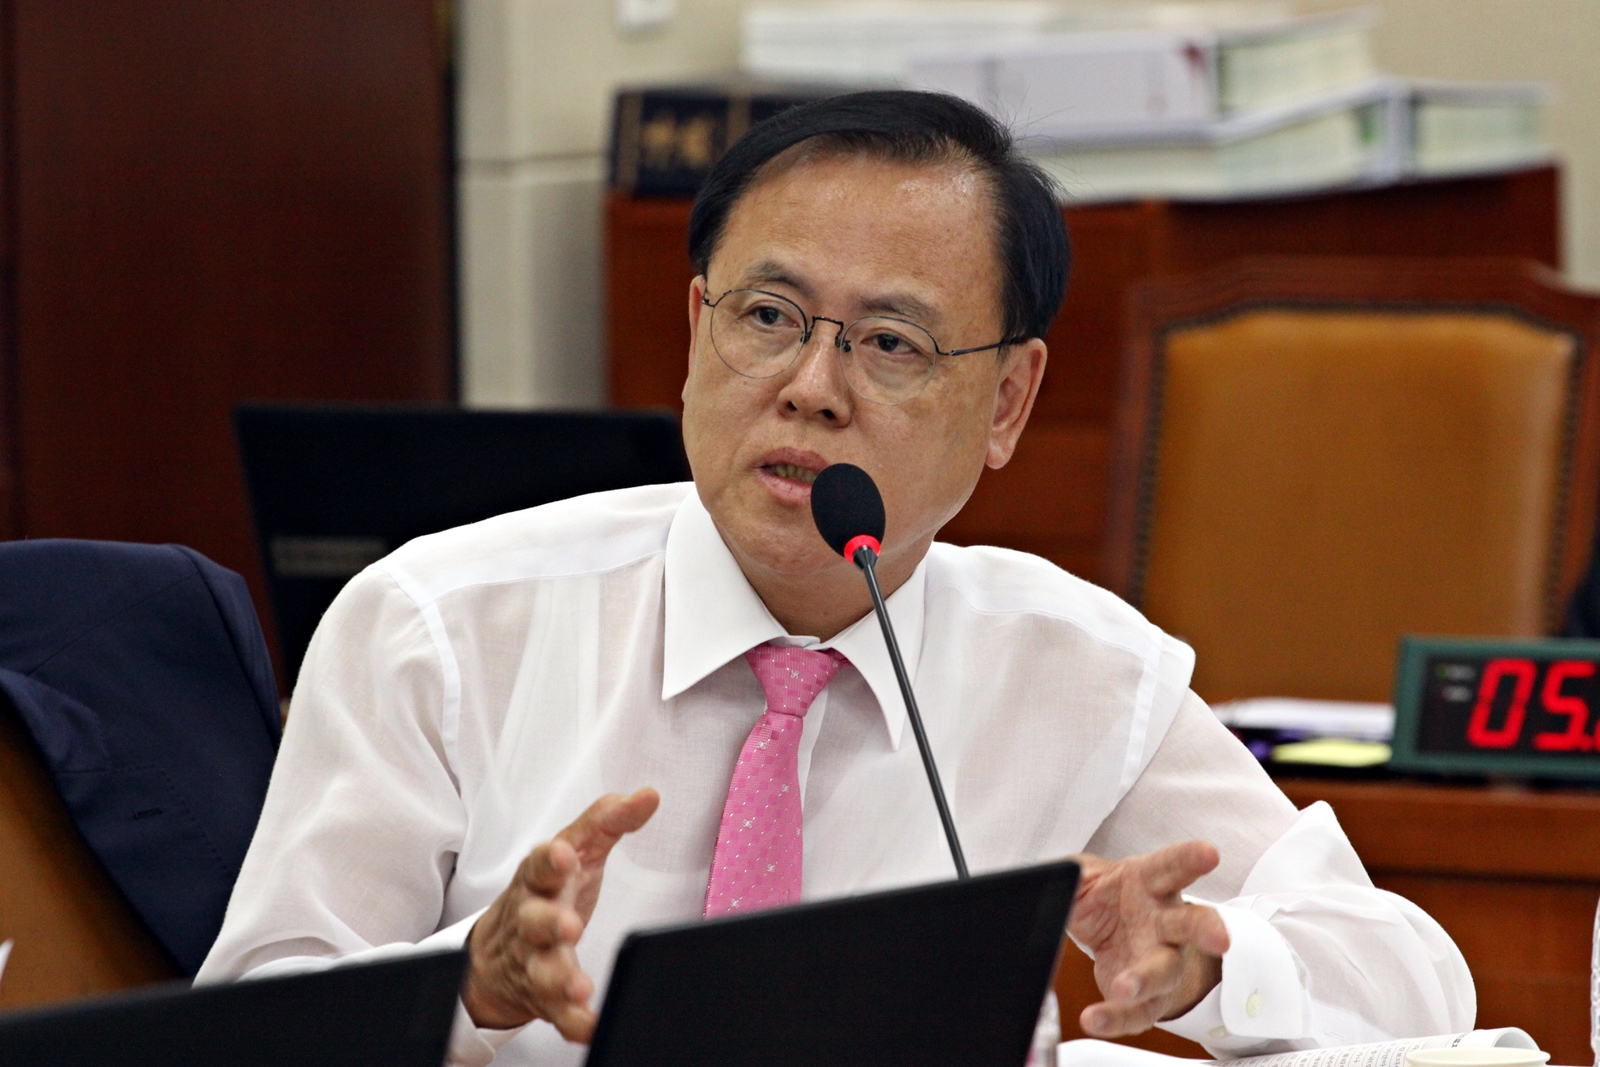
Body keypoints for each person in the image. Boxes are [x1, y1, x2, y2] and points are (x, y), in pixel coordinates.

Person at [198, 91, 1473, 1066]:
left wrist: (1212, 961)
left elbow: (1417, 981)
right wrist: (468, 985)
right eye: (765, 317)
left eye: (890, 342)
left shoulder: (1077, 670)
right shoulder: (436, 626)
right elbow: (246, 1023)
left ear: (1008, 401)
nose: (811, 385)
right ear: (694, 331)